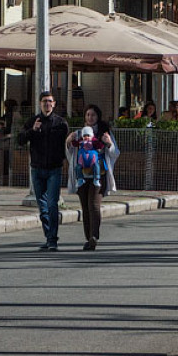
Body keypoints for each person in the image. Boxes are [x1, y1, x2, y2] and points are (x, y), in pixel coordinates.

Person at [17, 91, 69, 251]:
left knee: (52, 204)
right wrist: (33, 130)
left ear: (54, 104)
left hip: (54, 168)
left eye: (50, 101)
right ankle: (48, 236)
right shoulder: (33, 121)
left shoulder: (61, 123)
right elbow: (20, 140)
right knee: (42, 206)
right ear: (40, 104)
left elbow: (66, 145)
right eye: (44, 101)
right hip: (37, 168)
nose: (47, 104)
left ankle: (53, 239)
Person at [66, 105, 119, 251]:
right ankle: (88, 238)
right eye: (88, 115)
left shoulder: (103, 133)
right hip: (82, 175)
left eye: (93, 115)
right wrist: (68, 142)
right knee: (85, 206)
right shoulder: (78, 134)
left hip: (98, 175)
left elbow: (115, 153)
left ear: (98, 117)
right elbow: (70, 154)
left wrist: (109, 144)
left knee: (94, 205)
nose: (90, 118)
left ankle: (94, 236)